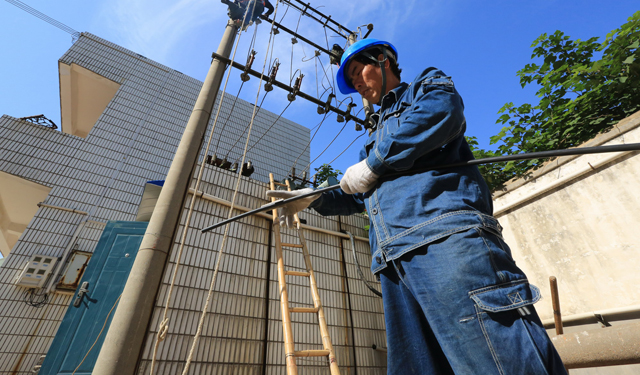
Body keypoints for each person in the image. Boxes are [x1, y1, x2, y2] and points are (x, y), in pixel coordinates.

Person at [266, 39, 568, 374]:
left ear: (382, 61)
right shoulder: (373, 139)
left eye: (358, 72)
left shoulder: (424, 87)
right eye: (352, 82)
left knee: (495, 358)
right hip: (394, 264)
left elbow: (442, 113)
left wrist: (375, 163)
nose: (357, 84)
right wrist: (316, 197)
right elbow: (358, 195)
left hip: (445, 239)